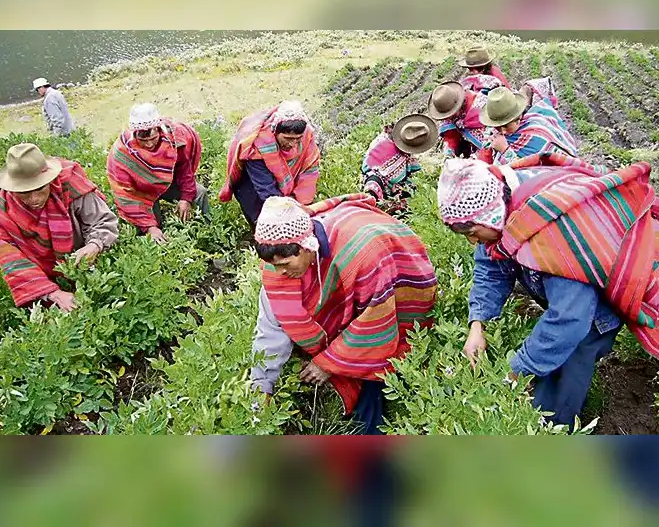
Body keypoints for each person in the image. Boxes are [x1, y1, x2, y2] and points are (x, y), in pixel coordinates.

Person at [436, 155, 659, 428]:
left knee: (568, 369)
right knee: (547, 361)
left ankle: (557, 431)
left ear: (490, 214)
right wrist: (478, 324)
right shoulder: (504, 212)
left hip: (598, 301)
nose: (472, 240)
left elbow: (570, 319)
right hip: (575, 297)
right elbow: (491, 267)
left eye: (471, 231)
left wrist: (518, 370)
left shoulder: (551, 230)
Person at [248, 195, 438, 434]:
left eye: (285, 264)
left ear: (308, 246)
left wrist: (329, 364)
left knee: (377, 366)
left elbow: (375, 325)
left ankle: (383, 419)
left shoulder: (363, 255)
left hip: (393, 276)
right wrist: (262, 385)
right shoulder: (278, 266)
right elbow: (270, 328)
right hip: (359, 283)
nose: (280, 272)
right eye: (274, 266)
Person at [0, 143, 119, 311]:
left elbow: (102, 220)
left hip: (86, 260)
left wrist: (95, 245)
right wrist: (54, 293)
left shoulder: (69, 183)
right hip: (41, 275)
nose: (34, 198)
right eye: (24, 192)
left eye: (40, 188)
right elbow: (15, 263)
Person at [106, 103, 209, 244]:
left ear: (159, 130)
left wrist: (186, 198)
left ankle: (206, 232)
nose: (149, 144)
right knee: (153, 229)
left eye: (153, 139)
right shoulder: (122, 152)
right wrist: (150, 227)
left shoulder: (173, 139)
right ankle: (157, 243)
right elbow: (126, 193)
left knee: (200, 193)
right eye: (143, 141)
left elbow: (184, 170)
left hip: (168, 182)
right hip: (142, 191)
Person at [218, 100, 321, 228]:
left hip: (284, 183)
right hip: (252, 186)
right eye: (288, 139)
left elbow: (309, 172)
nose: (293, 144)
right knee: (266, 225)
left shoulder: (307, 136)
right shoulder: (258, 145)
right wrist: (287, 214)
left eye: (297, 139)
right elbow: (267, 191)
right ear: (275, 133)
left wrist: (301, 206)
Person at [480, 86, 579, 165]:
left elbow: (534, 173)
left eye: (506, 126)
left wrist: (505, 150)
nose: (503, 132)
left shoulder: (537, 134)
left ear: (519, 118)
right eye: (497, 126)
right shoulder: (494, 133)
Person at [360, 114, 437, 214]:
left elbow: (411, 173)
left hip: (392, 187)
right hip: (375, 185)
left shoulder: (403, 153)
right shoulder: (383, 143)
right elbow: (369, 167)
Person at [427, 81, 496, 162]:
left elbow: (490, 142)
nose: (450, 118)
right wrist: (448, 155)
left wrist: (478, 163)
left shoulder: (480, 107)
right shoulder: (447, 109)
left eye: (451, 114)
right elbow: (451, 136)